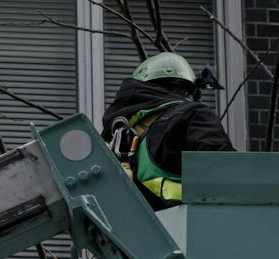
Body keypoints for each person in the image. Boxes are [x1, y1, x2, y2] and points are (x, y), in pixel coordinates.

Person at [101, 50, 236, 209]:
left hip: (127, 229)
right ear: (184, 89)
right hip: (183, 226)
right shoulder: (192, 114)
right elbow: (227, 169)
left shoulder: (113, 139)